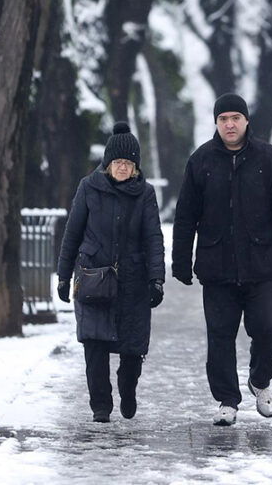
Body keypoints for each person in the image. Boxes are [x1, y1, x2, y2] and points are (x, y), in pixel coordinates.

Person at [172, 93, 272, 427]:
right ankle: (227, 400)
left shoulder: (270, 159)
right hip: (216, 267)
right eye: (222, 119)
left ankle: (260, 382)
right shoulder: (200, 161)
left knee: (265, 329)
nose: (229, 124)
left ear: (246, 121)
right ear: (216, 123)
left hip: (261, 264)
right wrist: (180, 260)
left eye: (235, 118)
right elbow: (186, 215)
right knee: (220, 336)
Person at [56, 122, 165, 423]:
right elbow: (72, 233)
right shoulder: (88, 187)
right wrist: (64, 275)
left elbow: (153, 237)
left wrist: (157, 279)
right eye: (118, 162)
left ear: (136, 167)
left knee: (132, 350)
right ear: (107, 163)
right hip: (94, 279)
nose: (122, 168)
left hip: (133, 283)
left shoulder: (145, 194)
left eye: (128, 163)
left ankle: (127, 389)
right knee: (94, 344)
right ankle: (100, 406)